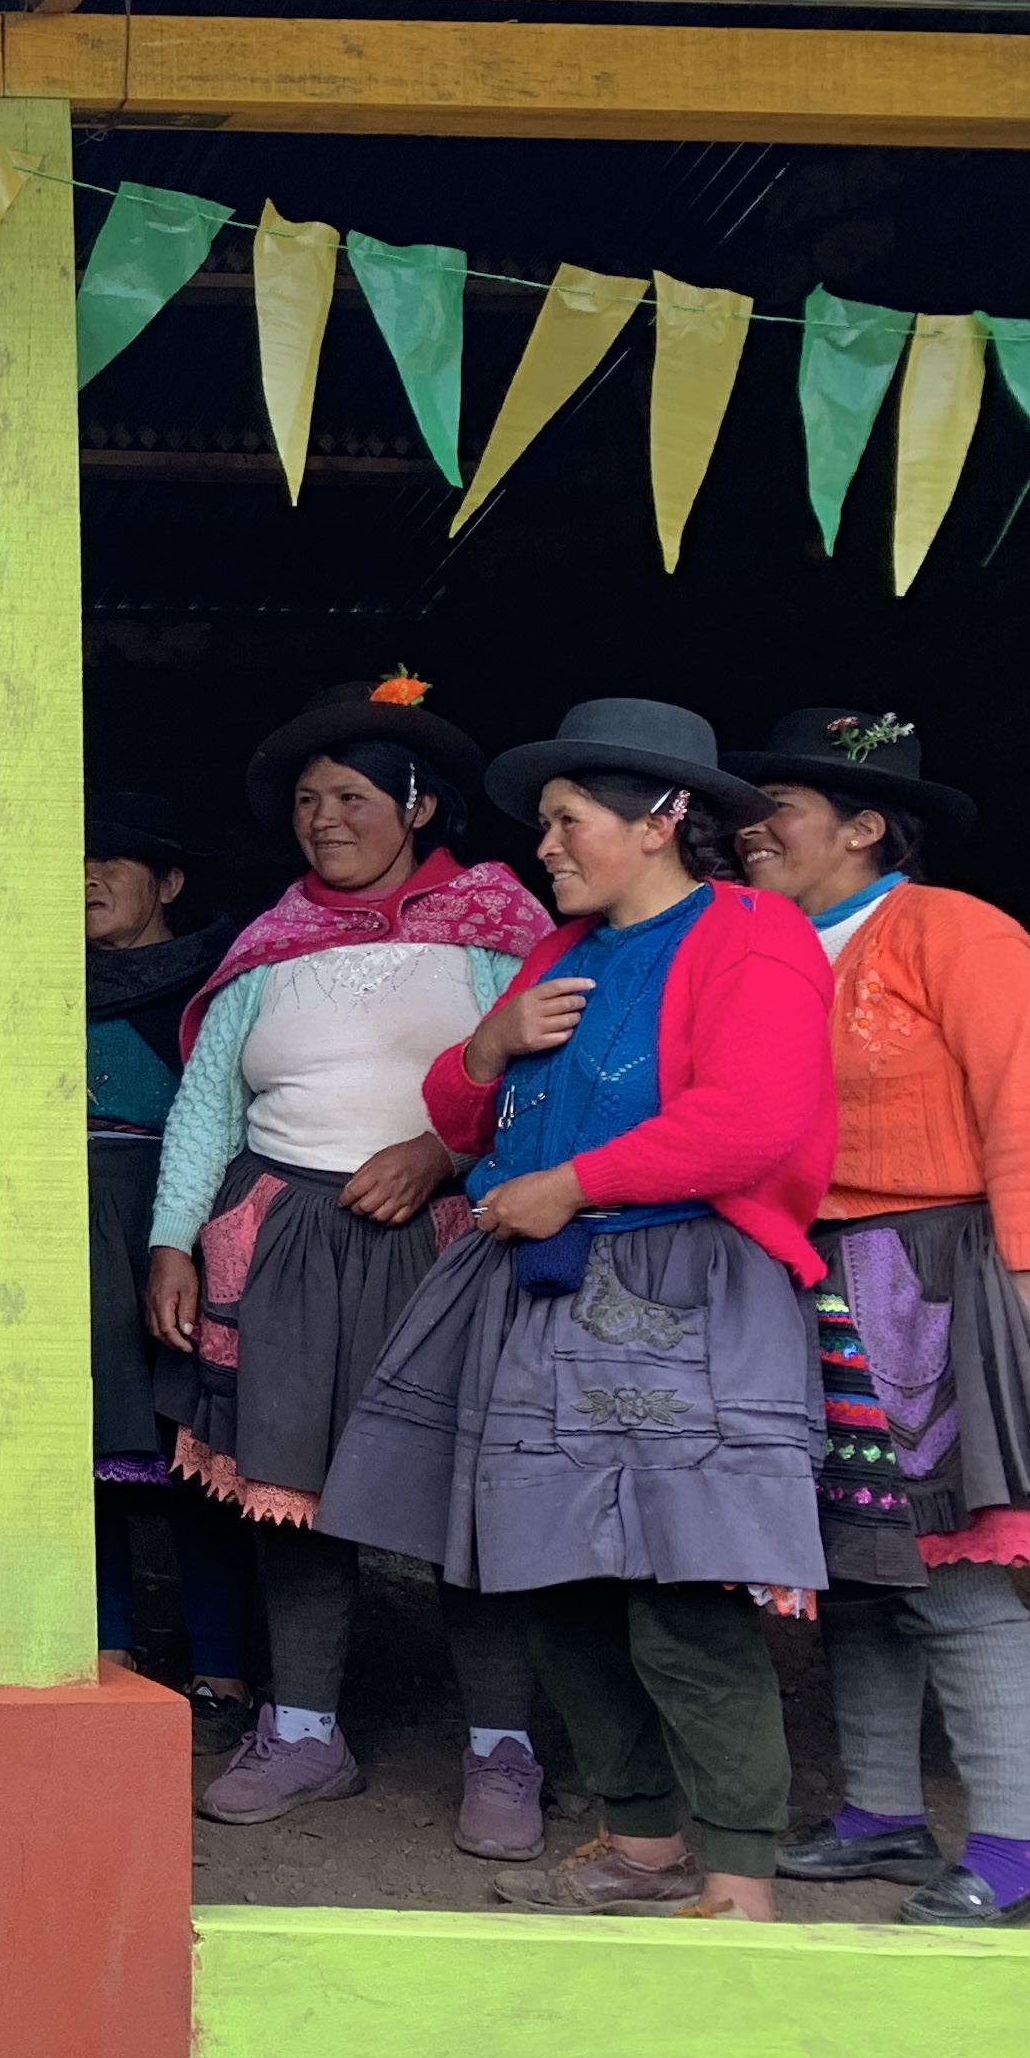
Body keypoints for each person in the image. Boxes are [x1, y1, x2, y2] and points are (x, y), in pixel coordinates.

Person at [320, 700, 834, 1921]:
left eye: (565, 822)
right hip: (542, 1294)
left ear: (661, 822)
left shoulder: (751, 936)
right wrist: (489, 1045)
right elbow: (460, 1123)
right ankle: (643, 1842)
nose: (542, 846)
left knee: (675, 1588)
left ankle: (741, 1872)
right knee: (555, 1582)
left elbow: (753, 1120)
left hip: (680, 1289)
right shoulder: (564, 953)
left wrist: (574, 1183)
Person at [144, 676, 553, 1856]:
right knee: (293, 1491)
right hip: (279, 1240)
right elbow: (208, 1108)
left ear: (420, 807)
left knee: (464, 1491)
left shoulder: (497, 934)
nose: (326, 818)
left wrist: (441, 1151)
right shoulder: (272, 947)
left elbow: (542, 1089)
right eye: (311, 801)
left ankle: (501, 1749)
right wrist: (173, 1239)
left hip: (443, 1238)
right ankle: (308, 1730)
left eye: (354, 796)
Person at [737, 710, 1030, 1928]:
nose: (750, 828)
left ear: (867, 828)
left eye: (781, 806)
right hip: (802, 1276)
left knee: (952, 1573)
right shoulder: (762, 944)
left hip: (932, 1279)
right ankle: (879, 1812)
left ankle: (1008, 1849)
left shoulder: (956, 933)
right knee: (861, 1569)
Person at [82, 805, 252, 1745]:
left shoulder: (214, 990)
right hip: (68, 1245)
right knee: (84, 1460)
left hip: (181, 1237)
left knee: (199, 1454)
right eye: (73, 866)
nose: (89, 881)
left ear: (171, 886)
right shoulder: (38, 989)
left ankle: (221, 1668)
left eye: (114, 861)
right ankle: (109, 1658)